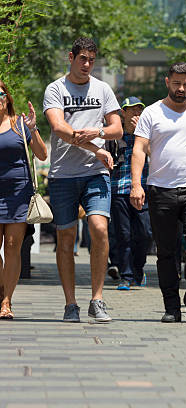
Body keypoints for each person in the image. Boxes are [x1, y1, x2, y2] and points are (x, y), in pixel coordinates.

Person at [130, 62, 186, 323]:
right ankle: (171, 307)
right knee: (166, 252)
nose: (181, 88)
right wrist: (137, 184)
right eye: (176, 83)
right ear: (167, 81)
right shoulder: (151, 113)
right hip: (161, 191)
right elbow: (139, 149)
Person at [44, 37, 123, 323]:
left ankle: (97, 299)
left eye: (91, 60)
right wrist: (97, 148)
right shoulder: (55, 89)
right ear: (71, 57)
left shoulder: (102, 89)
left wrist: (99, 133)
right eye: (82, 59)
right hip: (63, 175)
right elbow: (60, 128)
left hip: (95, 173)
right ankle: (70, 304)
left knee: (99, 228)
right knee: (66, 238)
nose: (87, 64)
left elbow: (117, 127)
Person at [0, 84, 47, 319]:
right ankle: (1, 289)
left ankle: (7, 301)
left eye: (0, 94)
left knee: (12, 247)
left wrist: (33, 128)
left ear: (7, 98)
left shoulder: (19, 124)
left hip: (18, 194)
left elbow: (41, 154)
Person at [109, 96, 152, 290]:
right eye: (131, 109)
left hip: (142, 188)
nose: (136, 113)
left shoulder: (147, 134)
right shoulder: (114, 135)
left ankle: (138, 269)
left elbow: (155, 155)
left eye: (139, 110)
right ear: (122, 113)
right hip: (118, 189)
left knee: (145, 233)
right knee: (123, 234)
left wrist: (138, 134)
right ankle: (126, 275)